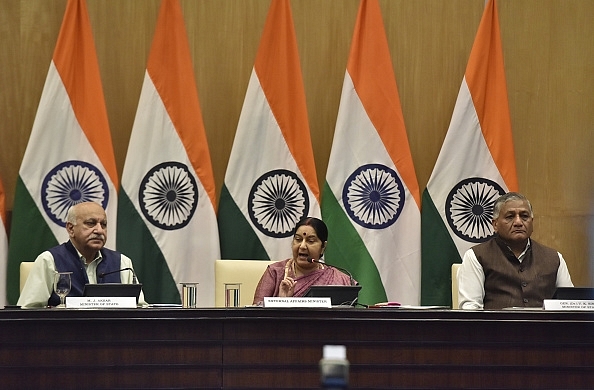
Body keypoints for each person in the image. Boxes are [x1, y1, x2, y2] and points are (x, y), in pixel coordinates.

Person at [17, 201, 147, 308]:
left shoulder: (122, 262)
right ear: (70, 228)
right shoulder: (49, 260)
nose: (99, 230)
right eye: (90, 223)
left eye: (104, 224)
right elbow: (29, 311)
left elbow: (139, 308)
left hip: (112, 335)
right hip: (65, 336)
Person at [457, 192, 573, 310]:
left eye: (524, 216)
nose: (518, 222)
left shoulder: (554, 258)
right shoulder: (476, 256)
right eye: (510, 217)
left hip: (544, 328)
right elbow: (471, 310)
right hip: (496, 328)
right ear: (495, 224)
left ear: (532, 222)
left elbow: (569, 306)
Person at [253, 217, 354, 305]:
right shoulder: (275, 273)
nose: (302, 246)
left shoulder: (339, 279)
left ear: (323, 247)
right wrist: (281, 303)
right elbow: (255, 317)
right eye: (298, 239)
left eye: (310, 241)